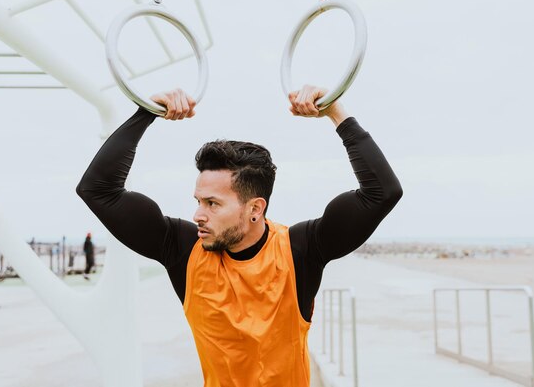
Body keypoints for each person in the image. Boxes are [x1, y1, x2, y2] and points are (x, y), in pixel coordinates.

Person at [76, 86, 402, 386]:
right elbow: (97, 190)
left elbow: (381, 193)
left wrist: (335, 112)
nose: (198, 215)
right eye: (198, 201)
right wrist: (145, 113)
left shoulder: (300, 249)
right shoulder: (183, 249)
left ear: (254, 209)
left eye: (213, 204)